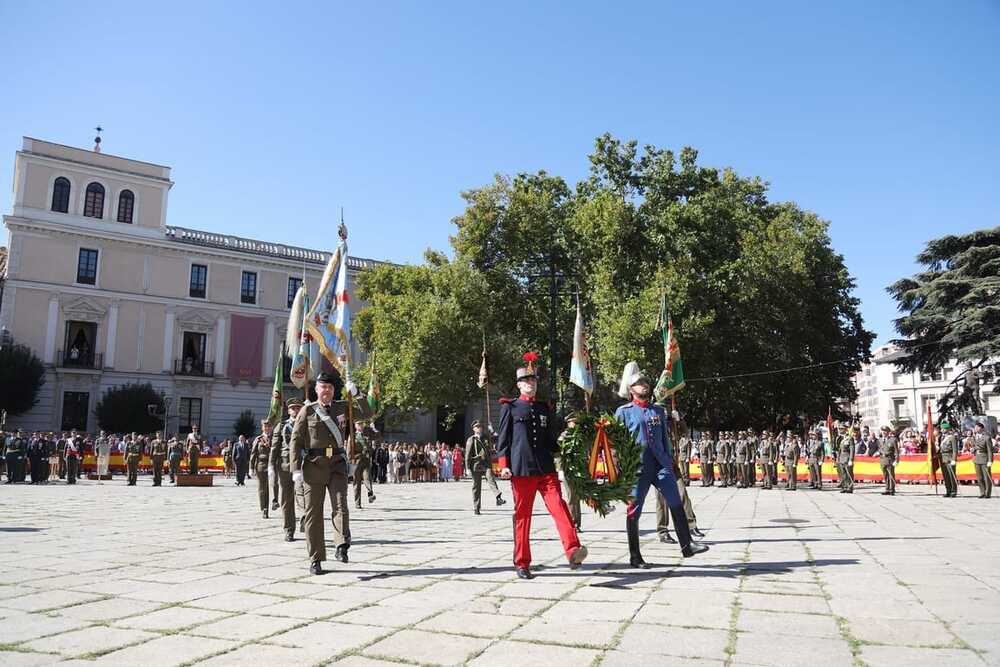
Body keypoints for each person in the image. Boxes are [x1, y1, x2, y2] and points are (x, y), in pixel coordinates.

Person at [496, 363, 587, 580]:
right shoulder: (510, 407)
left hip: (545, 468)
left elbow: (550, 441)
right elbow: (502, 440)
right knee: (523, 517)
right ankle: (522, 562)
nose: (531, 384)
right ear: (519, 384)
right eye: (527, 381)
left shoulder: (543, 408)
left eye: (534, 380)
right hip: (522, 469)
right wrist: (503, 465)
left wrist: (569, 442)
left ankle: (573, 550)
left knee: (559, 507)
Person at [615, 362, 708, 568]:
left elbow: (665, 438)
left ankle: (687, 544)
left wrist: (670, 460)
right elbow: (616, 443)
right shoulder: (623, 412)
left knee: (676, 501)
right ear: (631, 390)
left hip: (661, 465)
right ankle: (635, 555)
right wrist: (620, 467)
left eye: (645, 382)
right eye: (639, 384)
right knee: (634, 510)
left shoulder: (657, 410)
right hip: (638, 467)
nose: (644, 385)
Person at [290, 371, 372, 574]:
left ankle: (341, 545)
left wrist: (357, 392)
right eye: (322, 387)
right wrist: (295, 469)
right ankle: (316, 558)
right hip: (314, 466)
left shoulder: (343, 407)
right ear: (316, 389)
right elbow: (296, 441)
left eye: (329, 387)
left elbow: (368, 413)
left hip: (336, 464)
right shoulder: (307, 411)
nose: (326, 390)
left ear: (333, 390)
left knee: (340, 506)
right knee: (313, 514)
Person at [272, 398, 304, 541]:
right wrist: (271, 465)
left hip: (302, 466)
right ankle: (289, 529)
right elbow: (275, 447)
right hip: (285, 466)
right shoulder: (282, 426)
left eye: (298, 408)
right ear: (288, 410)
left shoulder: (307, 424)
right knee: (286, 499)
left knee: (303, 494)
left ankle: (304, 519)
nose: (296, 410)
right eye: (293, 408)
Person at [465, 421, 505, 514]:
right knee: (476, 486)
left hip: (486, 464)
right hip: (476, 465)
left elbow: (495, 440)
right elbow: (467, 454)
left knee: (491, 479)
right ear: (474, 429)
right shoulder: (471, 439)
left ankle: (498, 497)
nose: (479, 428)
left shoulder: (485, 438)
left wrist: (492, 430)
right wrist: (467, 468)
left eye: (480, 426)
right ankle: (476, 507)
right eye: (477, 427)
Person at [557, 412, 582, 531]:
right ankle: (572, 522)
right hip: (568, 470)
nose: (575, 424)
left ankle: (577, 523)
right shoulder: (564, 436)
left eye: (577, 422)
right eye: (574, 422)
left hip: (579, 469)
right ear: (568, 423)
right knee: (571, 496)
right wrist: (560, 469)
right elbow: (559, 454)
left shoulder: (579, 435)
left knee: (576, 496)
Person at [250, 420, 273, 518]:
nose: (267, 428)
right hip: (261, 465)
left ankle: (275, 504)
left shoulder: (275, 438)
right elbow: (253, 454)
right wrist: (251, 468)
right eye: (265, 426)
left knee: (274, 487)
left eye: (268, 426)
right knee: (262, 488)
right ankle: (264, 509)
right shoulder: (258, 439)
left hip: (273, 465)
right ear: (262, 428)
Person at [352, 420, 377, 509]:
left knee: (367, 478)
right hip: (356, 461)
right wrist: (350, 460)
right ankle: (357, 503)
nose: (361, 425)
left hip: (366, 460)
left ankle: (370, 494)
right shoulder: (352, 436)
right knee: (357, 483)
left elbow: (377, 439)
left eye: (362, 424)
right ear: (355, 426)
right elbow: (348, 450)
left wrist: (373, 429)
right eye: (358, 424)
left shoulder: (368, 434)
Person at [972, 421, 993, 499]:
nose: (976, 428)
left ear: (982, 428)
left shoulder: (986, 437)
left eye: (977, 427)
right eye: (975, 427)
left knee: (986, 477)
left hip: (984, 458)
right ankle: (982, 492)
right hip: (977, 458)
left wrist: (990, 460)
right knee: (979, 477)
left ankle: (987, 493)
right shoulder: (974, 437)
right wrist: (973, 449)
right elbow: (974, 446)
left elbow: (990, 450)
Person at [939, 422, 959, 498]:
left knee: (951, 475)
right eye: (941, 428)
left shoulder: (952, 437)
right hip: (943, 458)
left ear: (947, 429)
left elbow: (955, 450)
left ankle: (953, 491)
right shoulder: (942, 437)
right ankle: (948, 490)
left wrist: (954, 459)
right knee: (946, 476)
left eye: (943, 429)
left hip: (949, 458)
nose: (942, 430)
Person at [878, 426, 899, 496]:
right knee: (885, 475)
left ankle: (891, 489)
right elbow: (880, 448)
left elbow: (896, 451)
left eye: (885, 431)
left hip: (890, 459)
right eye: (883, 431)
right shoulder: (880, 440)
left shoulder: (893, 440)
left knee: (891, 475)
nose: (884, 432)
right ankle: (887, 488)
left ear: (888, 432)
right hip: (882, 459)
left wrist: (896, 460)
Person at [836, 426, 854, 493]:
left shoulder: (850, 438)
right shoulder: (840, 438)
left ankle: (850, 487)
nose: (840, 430)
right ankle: (845, 486)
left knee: (849, 473)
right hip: (841, 458)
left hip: (847, 458)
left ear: (846, 429)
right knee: (843, 474)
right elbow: (839, 450)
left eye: (841, 429)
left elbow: (852, 450)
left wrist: (851, 459)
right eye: (839, 429)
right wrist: (838, 459)